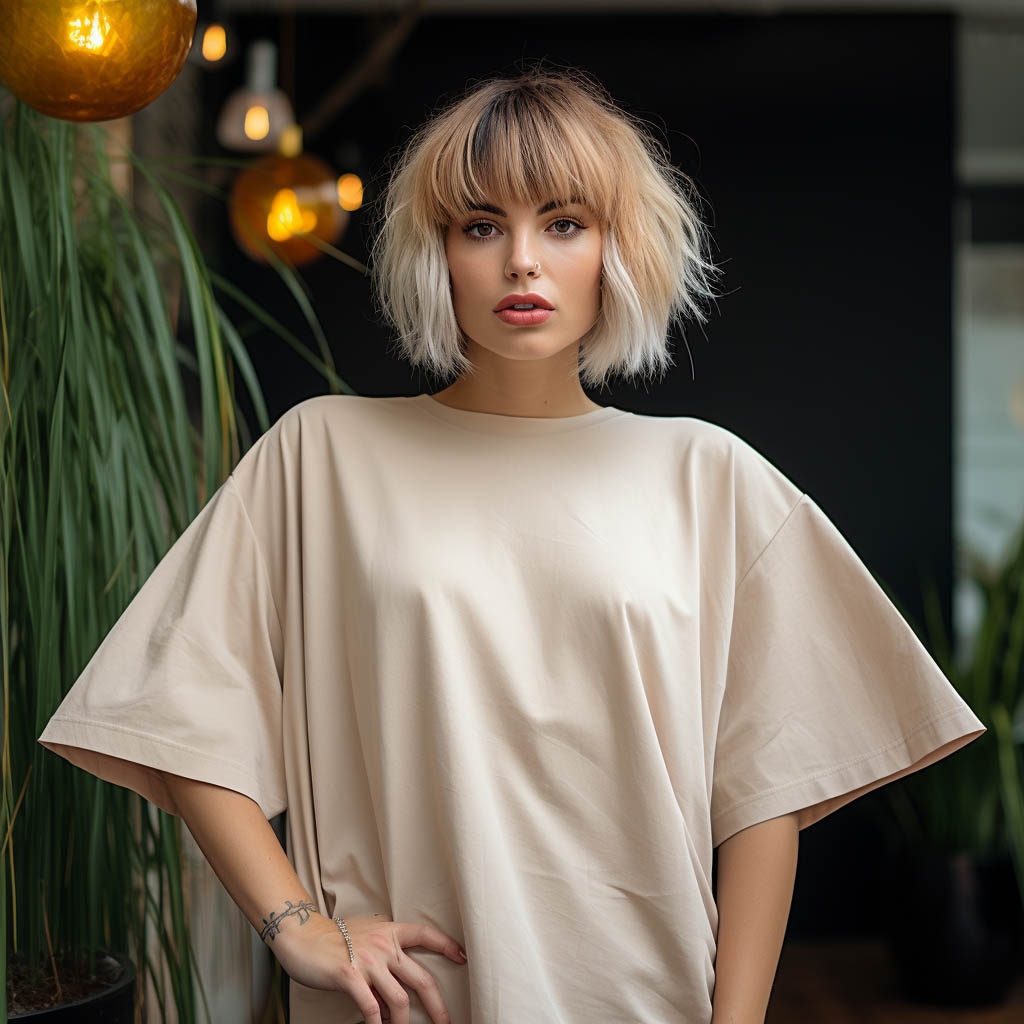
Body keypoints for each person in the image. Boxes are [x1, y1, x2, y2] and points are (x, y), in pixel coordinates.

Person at [38, 64, 986, 1024]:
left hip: (639, 998)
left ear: (618, 249)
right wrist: (294, 922)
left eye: (564, 223)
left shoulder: (710, 476)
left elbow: (764, 795)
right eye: (482, 226)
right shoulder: (322, 454)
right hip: (403, 1007)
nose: (521, 261)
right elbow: (177, 711)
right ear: (438, 253)